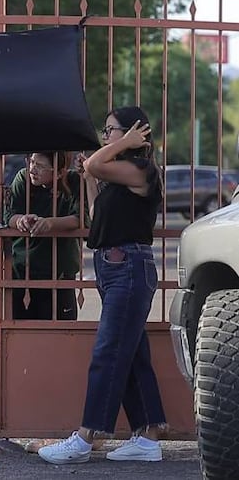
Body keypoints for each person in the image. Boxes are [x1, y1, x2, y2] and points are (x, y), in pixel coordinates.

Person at [38, 106, 167, 465]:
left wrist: (116, 148)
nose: (105, 136)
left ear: (134, 135)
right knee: (132, 353)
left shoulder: (142, 170)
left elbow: (96, 163)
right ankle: (147, 438)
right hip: (114, 269)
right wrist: (92, 183)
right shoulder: (119, 177)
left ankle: (85, 437)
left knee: (108, 353)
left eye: (111, 130)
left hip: (128, 267)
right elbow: (97, 217)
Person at [4, 152, 83, 321]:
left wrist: (51, 223)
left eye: (40, 166)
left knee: (61, 334)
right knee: (19, 332)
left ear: (59, 172)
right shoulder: (23, 178)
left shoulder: (73, 181)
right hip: (23, 270)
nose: (33, 169)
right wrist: (20, 220)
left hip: (59, 271)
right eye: (31, 162)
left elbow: (82, 219)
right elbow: (8, 215)